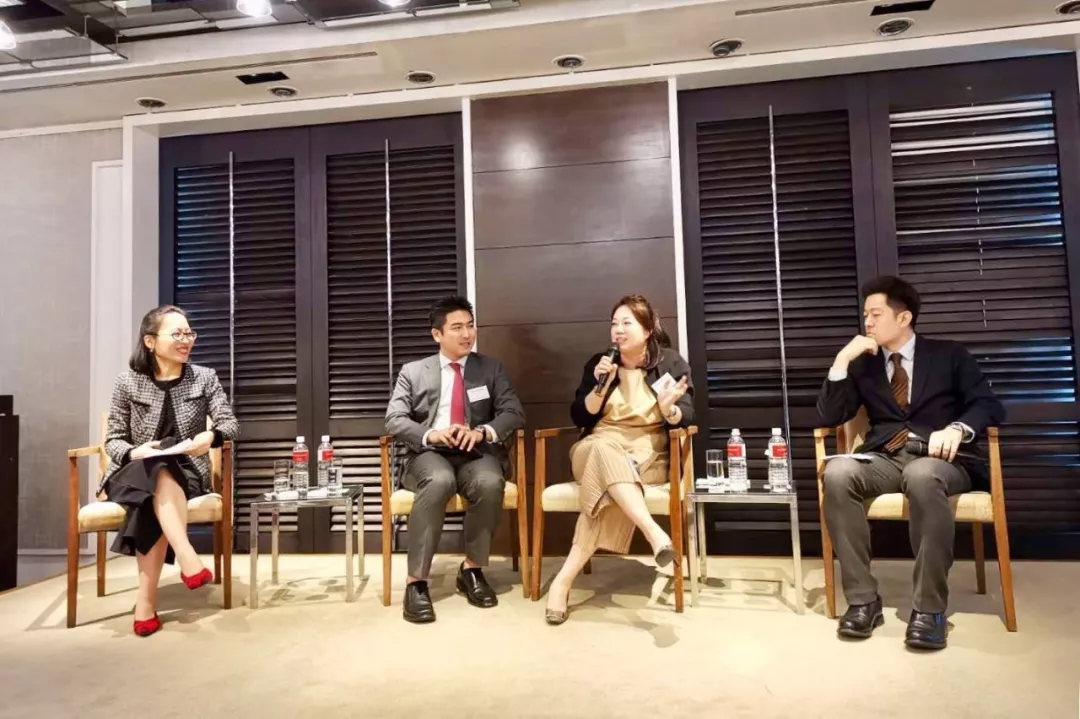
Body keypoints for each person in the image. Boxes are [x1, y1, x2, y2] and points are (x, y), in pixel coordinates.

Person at [817, 276, 1004, 650]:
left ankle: (929, 610)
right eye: (865, 315)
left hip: (942, 460)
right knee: (836, 472)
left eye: (875, 314)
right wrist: (841, 361)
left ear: (903, 318)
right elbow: (831, 415)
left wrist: (957, 428)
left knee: (922, 475)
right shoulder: (865, 365)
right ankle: (863, 601)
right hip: (886, 457)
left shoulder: (950, 354)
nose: (867, 322)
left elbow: (988, 404)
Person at [544, 294, 694, 625]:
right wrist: (601, 385)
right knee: (603, 449)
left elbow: (687, 415)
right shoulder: (600, 363)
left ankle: (562, 583)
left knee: (609, 489)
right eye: (614, 323)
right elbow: (581, 416)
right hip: (594, 448)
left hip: (647, 458)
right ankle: (653, 533)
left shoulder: (669, 363)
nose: (618, 330)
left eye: (627, 323)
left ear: (648, 330)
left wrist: (669, 409)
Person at [100, 305, 240, 637]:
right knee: (154, 466)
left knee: (158, 481)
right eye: (177, 333)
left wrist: (211, 437)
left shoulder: (204, 377)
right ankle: (186, 555)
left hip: (187, 473)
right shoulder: (127, 382)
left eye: (189, 333)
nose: (186, 340)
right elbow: (113, 440)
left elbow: (230, 423)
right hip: (132, 472)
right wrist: (135, 451)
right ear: (150, 341)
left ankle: (145, 602)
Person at [384, 295, 526, 624]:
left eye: (470, 326)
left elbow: (513, 412)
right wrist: (432, 434)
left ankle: (471, 570)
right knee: (439, 481)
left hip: (475, 451)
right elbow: (394, 419)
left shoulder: (490, 368)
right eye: (457, 327)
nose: (467, 334)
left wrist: (483, 432)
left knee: (490, 482)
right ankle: (416, 582)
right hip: (429, 453)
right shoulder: (413, 371)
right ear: (437, 334)